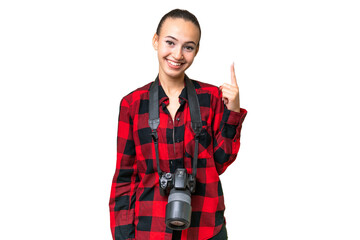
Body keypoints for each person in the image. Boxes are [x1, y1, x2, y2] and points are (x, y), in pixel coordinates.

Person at [109, 9, 247, 240]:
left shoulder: (211, 97)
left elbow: (221, 162)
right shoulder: (132, 104)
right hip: (150, 229)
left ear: (196, 51)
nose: (178, 54)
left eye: (188, 47)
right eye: (170, 42)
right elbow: (125, 178)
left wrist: (232, 110)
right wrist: (123, 236)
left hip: (204, 228)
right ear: (156, 41)